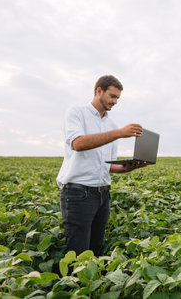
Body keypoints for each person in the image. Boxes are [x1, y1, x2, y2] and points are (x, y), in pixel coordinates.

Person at [56, 74, 146, 256]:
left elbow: (106, 165)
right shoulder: (77, 112)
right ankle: (73, 285)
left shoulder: (111, 125)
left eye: (118, 98)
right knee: (78, 253)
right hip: (78, 193)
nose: (115, 102)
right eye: (112, 96)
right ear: (99, 91)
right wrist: (119, 133)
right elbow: (78, 143)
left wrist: (127, 168)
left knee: (95, 250)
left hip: (103, 194)